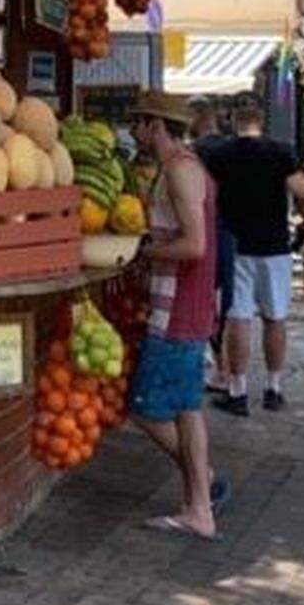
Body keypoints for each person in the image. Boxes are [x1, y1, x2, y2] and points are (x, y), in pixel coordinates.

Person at [127, 91, 222, 539]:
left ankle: (203, 488)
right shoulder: (182, 166)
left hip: (177, 309)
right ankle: (200, 505)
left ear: (157, 126)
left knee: (145, 408)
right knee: (187, 409)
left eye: (139, 123)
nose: (134, 131)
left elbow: (195, 245)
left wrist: (147, 253)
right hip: (188, 307)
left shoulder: (181, 171)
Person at [206, 98, 304, 415]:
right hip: (275, 247)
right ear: (261, 122)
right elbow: (302, 193)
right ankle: (274, 388)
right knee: (275, 317)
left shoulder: (220, 155)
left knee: (239, 318)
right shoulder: (282, 153)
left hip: (236, 246)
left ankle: (237, 391)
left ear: (234, 121)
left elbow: (207, 197)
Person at [190, 99, 234, 396]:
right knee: (225, 300)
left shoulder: (197, 153)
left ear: (197, 117)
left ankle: (221, 368)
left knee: (209, 298)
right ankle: (226, 369)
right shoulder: (231, 147)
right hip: (231, 232)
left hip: (209, 230)